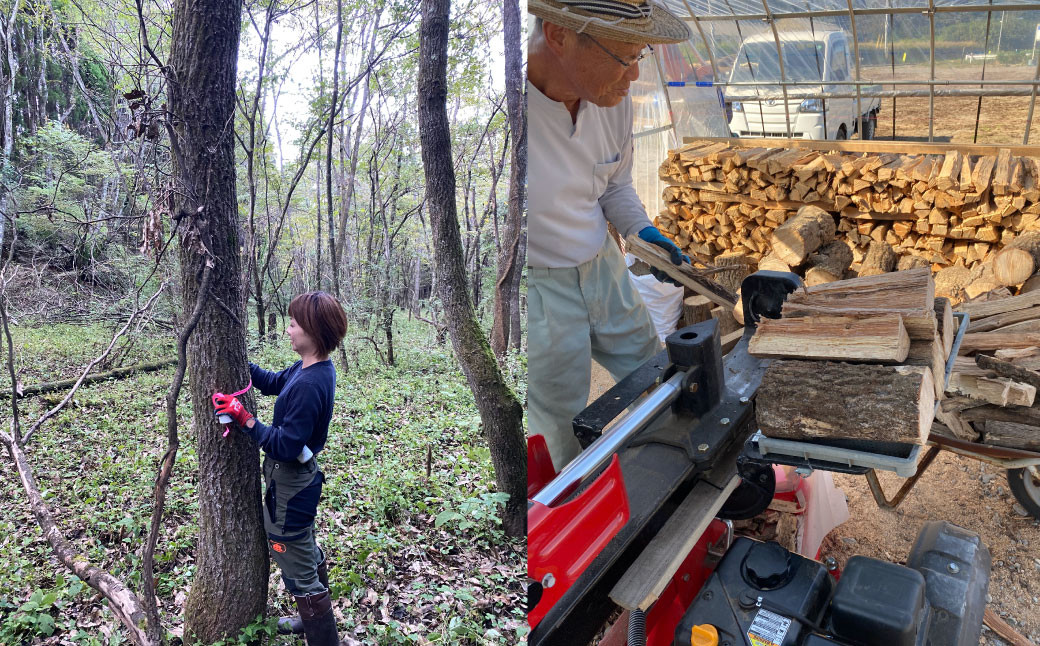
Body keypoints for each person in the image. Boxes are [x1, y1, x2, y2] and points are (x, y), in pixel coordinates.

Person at [527, 0, 693, 470]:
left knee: (652, 370)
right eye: (625, 57)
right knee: (560, 423)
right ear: (559, 34)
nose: (635, 75)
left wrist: (639, 228)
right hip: (540, 289)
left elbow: (614, 183)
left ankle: (673, 465)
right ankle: (573, 507)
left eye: (641, 55)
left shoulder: (612, 100)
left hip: (602, 264)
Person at [213, 291, 348, 645]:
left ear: (313, 331)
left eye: (293, 324)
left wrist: (244, 418)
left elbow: (286, 446)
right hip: (293, 480)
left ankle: (322, 633)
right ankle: (309, 618)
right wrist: (241, 364)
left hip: (292, 479)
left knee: (290, 547)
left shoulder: (310, 383)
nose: (288, 330)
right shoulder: (309, 368)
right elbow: (275, 383)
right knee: (302, 545)